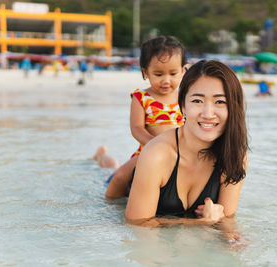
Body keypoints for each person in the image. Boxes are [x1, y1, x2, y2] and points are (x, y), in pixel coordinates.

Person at [125, 60, 248, 229]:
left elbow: (227, 221)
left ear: (234, 107)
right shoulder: (156, 154)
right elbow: (136, 224)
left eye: (220, 102)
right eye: (197, 101)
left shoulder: (234, 155)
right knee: (112, 172)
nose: (208, 114)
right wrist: (200, 223)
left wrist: (234, 242)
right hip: (129, 190)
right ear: (182, 105)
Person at [93, 36, 187, 198]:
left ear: (183, 71)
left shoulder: (186, 98)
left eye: (173, 73)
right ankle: (102, 156)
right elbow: (136, 128)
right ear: (145, 72)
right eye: (158, 74)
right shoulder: (141, 98)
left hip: (178, 153)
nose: (166, 80)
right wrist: (155, 144)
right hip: (148, 150)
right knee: (118, 174)